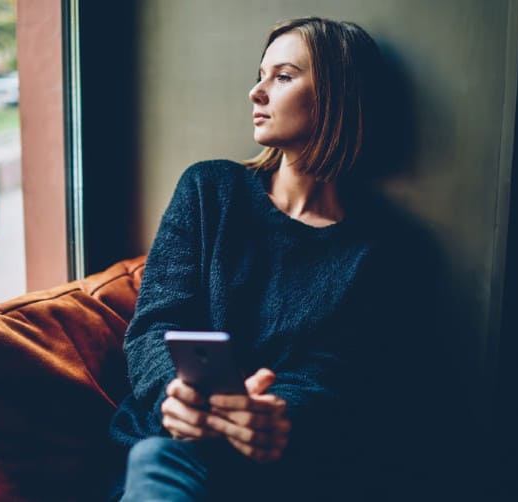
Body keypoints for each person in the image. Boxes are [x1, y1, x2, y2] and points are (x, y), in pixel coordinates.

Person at [105, 16, 438, 501]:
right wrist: (174, 397)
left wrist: (274, 416)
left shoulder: (382, 249)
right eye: (260, 75)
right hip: (168, 443)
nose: (256, 93)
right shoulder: (209, 190)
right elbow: (155, 323)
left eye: (282, 76)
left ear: (337, 96)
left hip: (280, 470)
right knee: (159, 461)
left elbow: (335, 376)